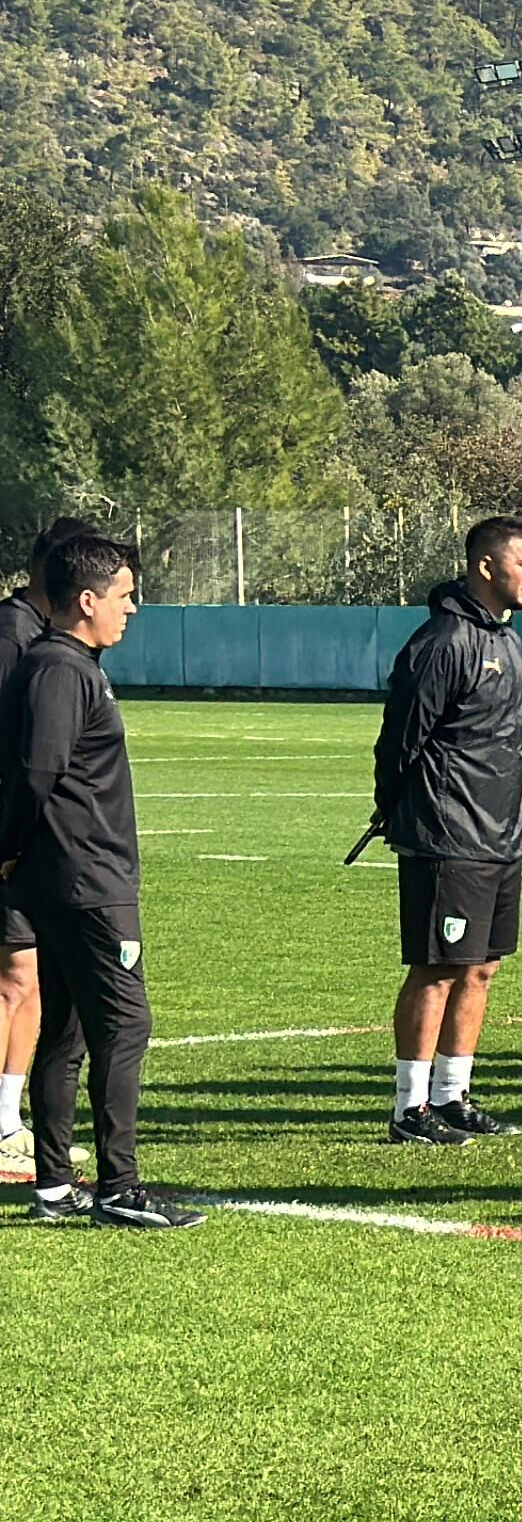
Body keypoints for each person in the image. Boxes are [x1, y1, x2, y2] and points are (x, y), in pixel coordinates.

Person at [0, 532, 192, 1228]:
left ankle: (54, 1187)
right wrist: (7, 849)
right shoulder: (60, 668)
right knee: (124, 1025)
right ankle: (119, 1188)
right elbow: (37, 772)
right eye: (124, 595)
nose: (132, 608)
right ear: (87, 600)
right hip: (86, 879)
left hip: (70, 876)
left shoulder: (67, 664)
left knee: (67, 1029)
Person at [374, 514, 522, 1147]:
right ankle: (408, 1107)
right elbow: (401, 737)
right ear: (485, 566)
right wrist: (394, 805)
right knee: (438, 968)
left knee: (482, 968)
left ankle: (452, 1095)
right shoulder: (443, 641)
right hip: (449, 834)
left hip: (500, 834)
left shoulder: (507, 638)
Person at [0, 524, 79, 1182]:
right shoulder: (13, 636)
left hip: (33, 840)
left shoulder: (43, 636)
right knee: (14, 977)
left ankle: (7, 1121)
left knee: (26, 978)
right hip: (13, 836)